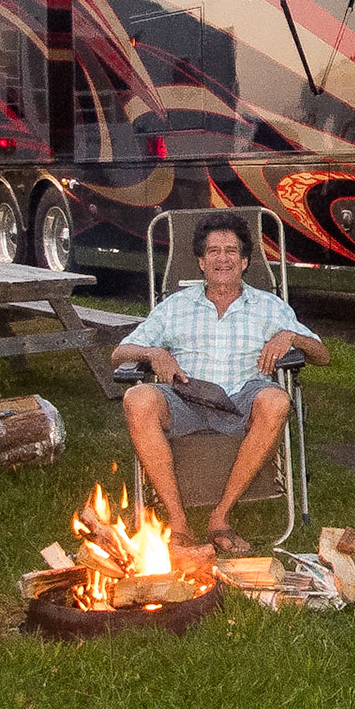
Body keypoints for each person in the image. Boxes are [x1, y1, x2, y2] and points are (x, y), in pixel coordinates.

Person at [110, 212, 328, 552]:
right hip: (187, 396)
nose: (222, 259)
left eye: (231, 251)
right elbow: (119, 353)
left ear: (244, 261)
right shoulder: (175, 306)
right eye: (213, 251)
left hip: (244, 396)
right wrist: (154, 353)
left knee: (276, 400)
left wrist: (290, 336)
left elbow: (322, 354)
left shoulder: (269, 307)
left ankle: (220, 517)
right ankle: (179, 523)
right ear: (200, 262)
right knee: (137, 398)